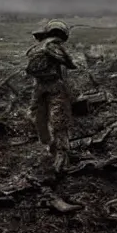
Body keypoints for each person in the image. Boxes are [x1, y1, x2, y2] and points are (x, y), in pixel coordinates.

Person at [25, 19, 77, 173]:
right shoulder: (54, 46)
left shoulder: (37, 47)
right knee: (59, 118)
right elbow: (70, 64)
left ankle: (48, 146)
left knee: (38, 116)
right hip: (54, 86)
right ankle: (62, 154)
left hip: (38, 87)